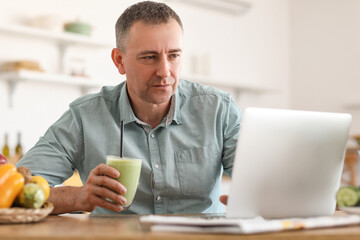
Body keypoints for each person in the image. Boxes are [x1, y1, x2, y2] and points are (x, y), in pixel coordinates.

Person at [16, 1, 241, 215]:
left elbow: (260, 181)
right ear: (119, 61)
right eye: (149, 57)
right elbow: (17, 189)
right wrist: (80, 197)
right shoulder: (84, 117)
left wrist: (256, 198)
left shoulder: (219, 110)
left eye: (174, 55)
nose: (165, 71)